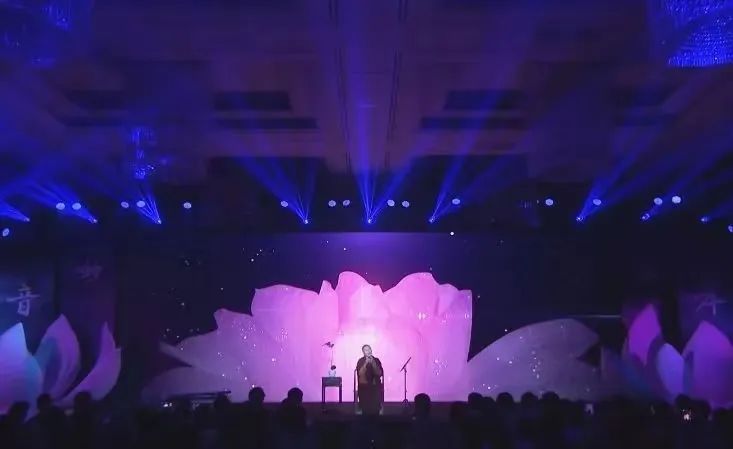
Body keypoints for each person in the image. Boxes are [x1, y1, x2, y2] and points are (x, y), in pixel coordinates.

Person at [355, 344, 383, 416]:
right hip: (364, 387)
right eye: (366, 350)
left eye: (369, 349)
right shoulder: (361, 360)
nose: (368, 351)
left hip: (375, 386)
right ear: (363, 352)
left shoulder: (376, 360)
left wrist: (373, 363)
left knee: (375, 409)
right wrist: (366, 363)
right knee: (365, 409)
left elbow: (379, 373)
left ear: (371, 350)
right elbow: (360, 374)